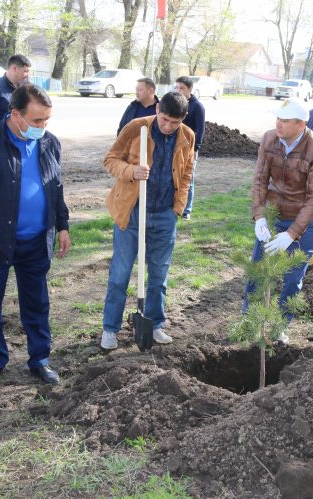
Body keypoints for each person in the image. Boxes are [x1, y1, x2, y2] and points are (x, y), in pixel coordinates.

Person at [0, 83, 71, 389]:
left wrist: (62, 225)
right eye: (36, 121)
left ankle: (40, 360)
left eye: (46, 121)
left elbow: (56, 187)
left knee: (37, 304)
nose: (42, 127)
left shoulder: (50, 143)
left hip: (36, 240)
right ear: (15, 114)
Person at [100, 92, 195, 350]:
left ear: (183, 118)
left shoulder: (187, 136)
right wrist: (132, 171)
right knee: (120, 273)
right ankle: (110, 328)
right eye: (164, 119)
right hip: (132, 211)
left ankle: (154, 325)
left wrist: (178, 207)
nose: (167, 126)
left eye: (174, 122)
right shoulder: (136, 128)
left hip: (165, 214)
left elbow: (186, 174)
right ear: (157, 109)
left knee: (159, 275)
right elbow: (110, 160)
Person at [244, 100, 313, 344]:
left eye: (285, 120)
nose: (278, 123)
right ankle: (249, 322)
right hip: (273, 214)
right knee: (257, 271)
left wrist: (291, 234)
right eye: (277, 118)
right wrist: (260, 216)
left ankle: (279, 325)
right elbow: (260, 179)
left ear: (301, 124)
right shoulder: (269, 140)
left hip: (305, 219)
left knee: (293, 278)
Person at [174, 76, 205, 221]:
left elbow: (200, 129)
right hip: (174, 148)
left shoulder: (197, 107)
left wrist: (195, 148)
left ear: (190, 89)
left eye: (182, 88)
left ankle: (186, 210)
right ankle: (174, 205)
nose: (179, 91)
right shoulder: (175, 103)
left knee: (188, 178)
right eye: (177, 88)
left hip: (189, 149)